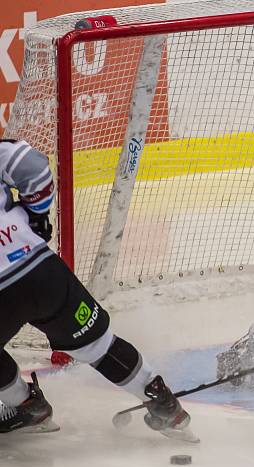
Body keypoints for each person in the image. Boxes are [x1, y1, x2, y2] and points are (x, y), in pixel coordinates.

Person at [0, 139, 196, 441]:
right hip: (42, 270)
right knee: (98, 345)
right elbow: (35, 170)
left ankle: (27, 405)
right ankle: (165, 405)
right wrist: (37, 216)